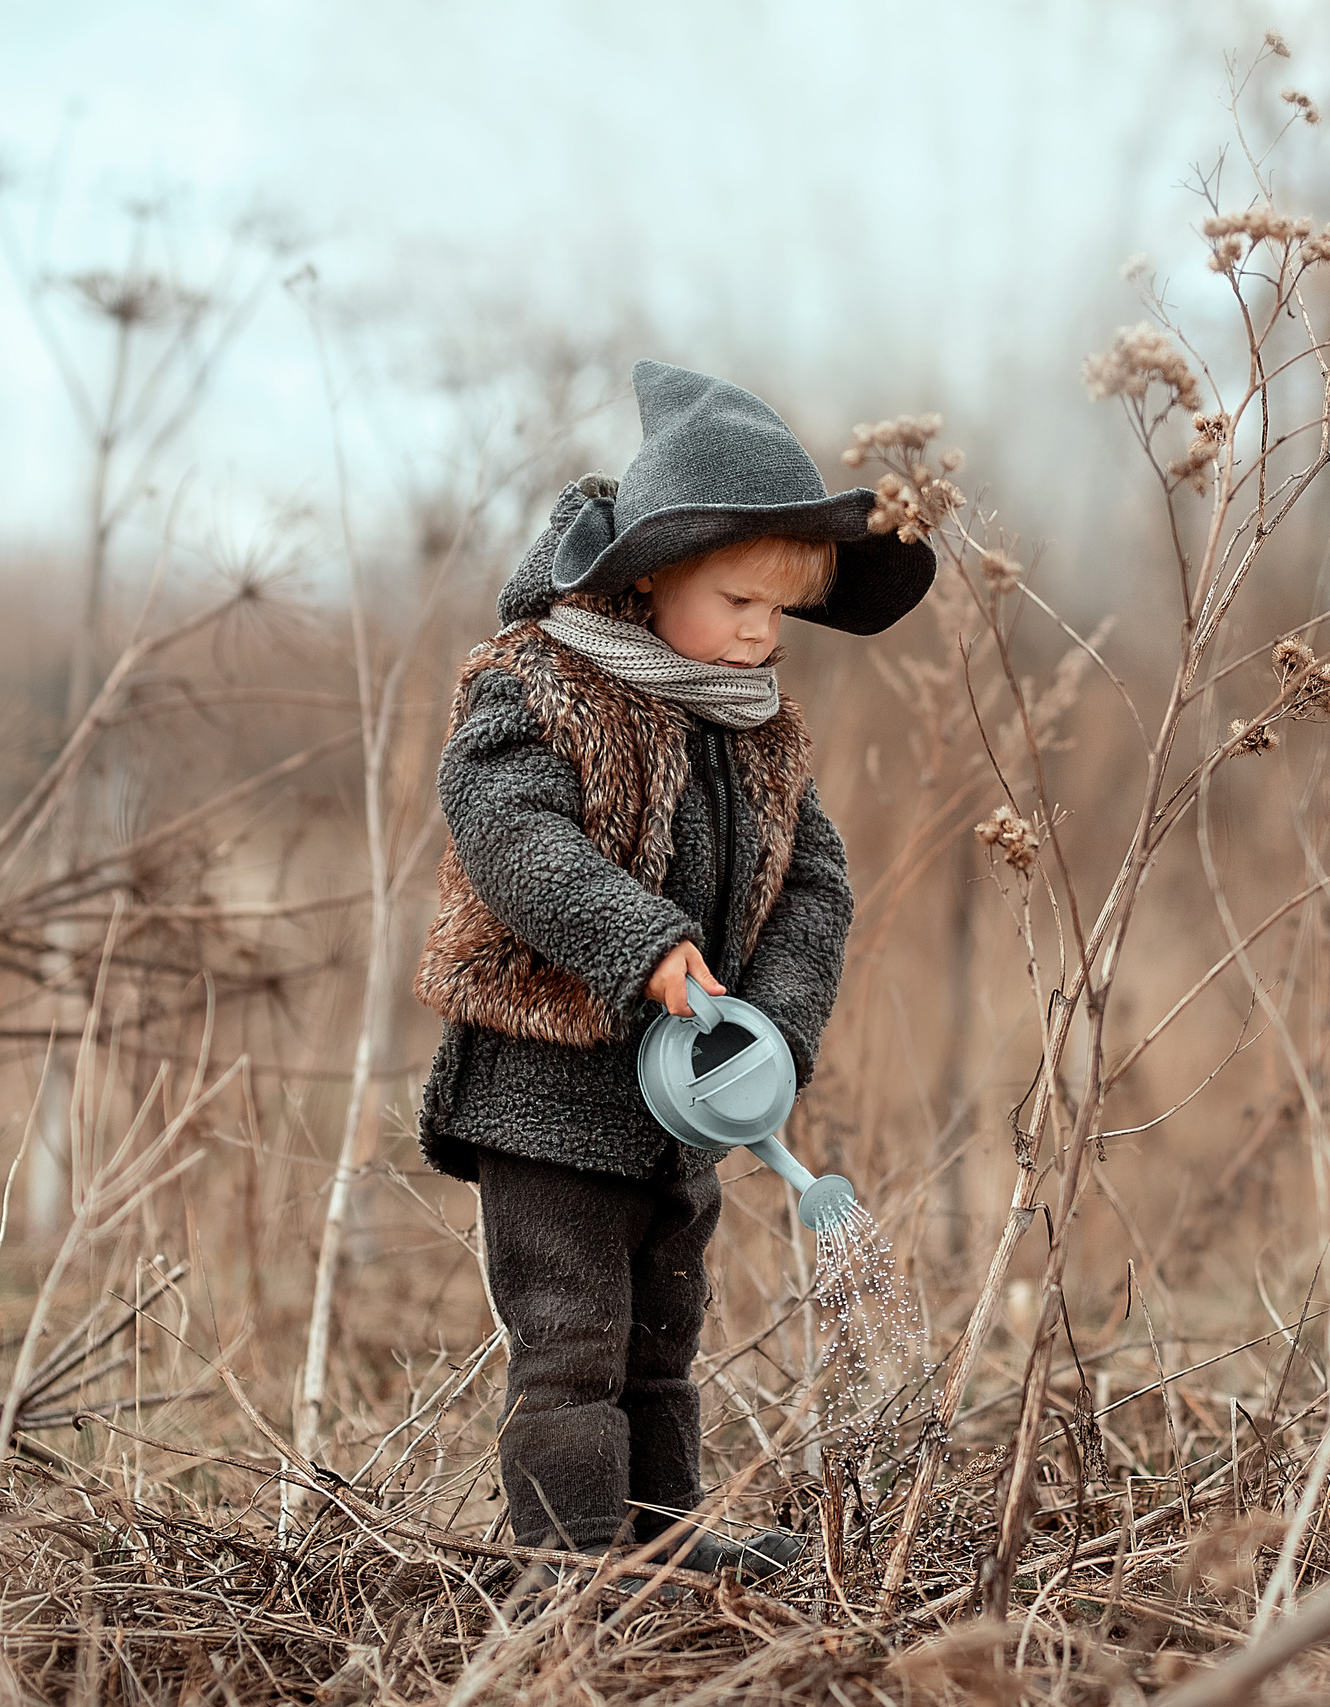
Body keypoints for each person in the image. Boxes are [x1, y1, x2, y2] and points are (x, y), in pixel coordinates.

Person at [411, 360, 934, 1579]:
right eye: (738, 598)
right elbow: (510, 834)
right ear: (649, 575)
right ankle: (572, 1562)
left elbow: (816, 887)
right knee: (569, 1336)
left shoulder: (757, 729)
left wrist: (777, 1034)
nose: (761, 633)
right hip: (547, 1090)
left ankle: (663, 1535)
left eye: (780, 611)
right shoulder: (536, 686)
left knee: (660, 1332)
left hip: (684, 1099)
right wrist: (639, 941)